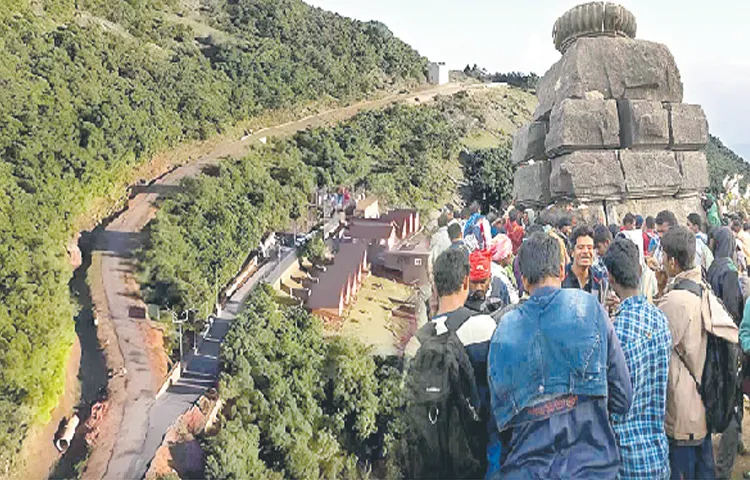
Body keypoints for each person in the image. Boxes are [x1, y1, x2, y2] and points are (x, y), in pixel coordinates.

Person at [486, 232, 632, 478]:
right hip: (592, 469)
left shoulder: (503, 330)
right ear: (563, 272)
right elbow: (622, 398)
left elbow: (499, 425)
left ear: (523, 279)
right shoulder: (589, 309)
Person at [602, 239, 672, 479]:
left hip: (627, 460)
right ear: (640, 271)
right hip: (658, 453)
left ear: (610, 278)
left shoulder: (614, 334)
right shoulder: (660, 319)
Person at [657, 226, 714, 479]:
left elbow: (657, 342)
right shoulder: (702, 288)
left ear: (672, 261)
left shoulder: (676, 301)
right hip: (703, 404)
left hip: (682, 413)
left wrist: (660, 294)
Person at [708, 227, 746, 479]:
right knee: (733, 400)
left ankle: (737, 442)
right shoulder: (730, 271)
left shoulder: (713, 267)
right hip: (730, 344)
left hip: (716, 343)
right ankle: (724, 467)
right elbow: (733, 311)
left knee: (730, 396)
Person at [562, 225, 609, 304]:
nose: (586, 251)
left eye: (589, 248)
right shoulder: (561, 278)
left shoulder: (600, 281)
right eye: (580, 247)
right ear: (572, 252)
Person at [465, 249, 503, 314]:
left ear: (490, 278)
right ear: (467, 280)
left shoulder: (499, 286)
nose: (478, 287)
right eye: (474, 282)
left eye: (482, 282)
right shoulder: (460, 294)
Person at [488, 234, 519, 308]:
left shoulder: (490, 268)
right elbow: (514, 300)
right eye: (509, 251)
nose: (510, 254)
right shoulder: (500, 276)